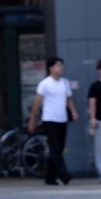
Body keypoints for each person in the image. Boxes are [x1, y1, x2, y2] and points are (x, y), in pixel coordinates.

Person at [27, 56, 78, 185]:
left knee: (58, 149)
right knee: (55, 148)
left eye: (62, 65)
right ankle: (64, 175)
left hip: (62, 119)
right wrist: (32, 120)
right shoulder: (45, 84)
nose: (61, 68)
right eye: (58, 65)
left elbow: (69, 99)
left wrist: (73, 111)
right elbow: (37, 103)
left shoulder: (65, 82)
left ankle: (50, 178)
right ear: (51, 68)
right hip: (49, 120)